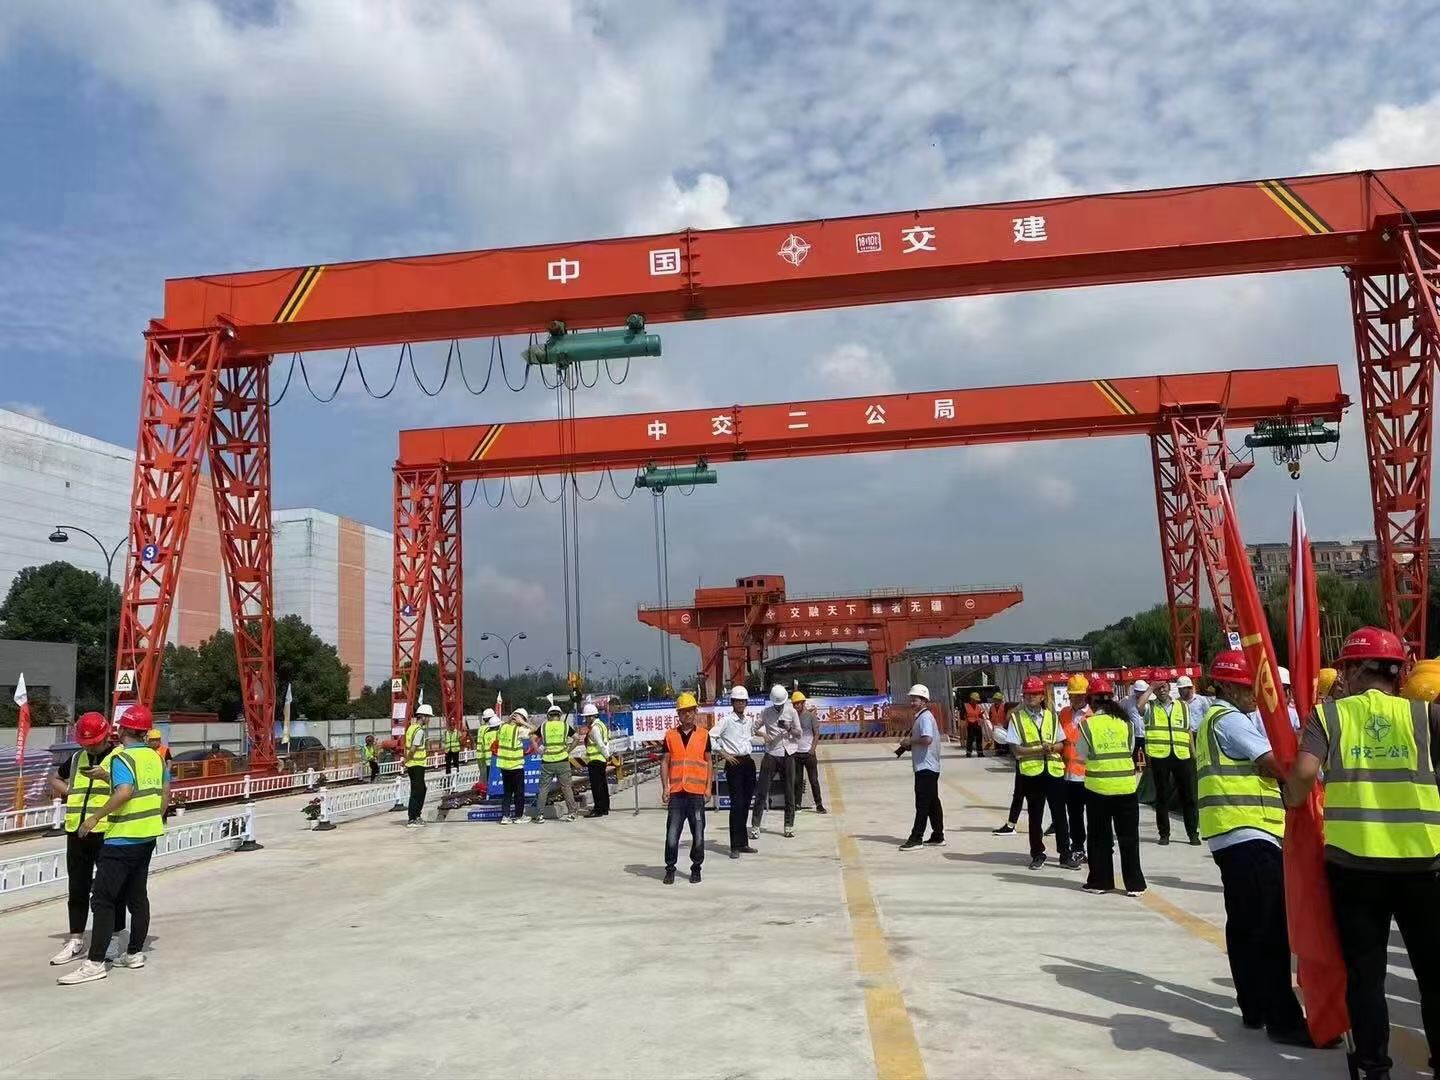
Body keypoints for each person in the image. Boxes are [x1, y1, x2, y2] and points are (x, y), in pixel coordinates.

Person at [1285, 627, 1440, 1078]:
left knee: (1366, 975)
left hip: (1354, 868)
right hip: (1423, 864)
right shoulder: (1427, 715)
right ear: (1398, 672)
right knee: (1433, 972)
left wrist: (1293, 797)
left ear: (1353, 670)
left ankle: (1374, 1066)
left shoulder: (1329, 716)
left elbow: (1304, 774)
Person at [1196, 650, 1309, 1047]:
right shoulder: (1229, 720)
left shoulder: (1212, 720)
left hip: (1230, 832)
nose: (1254, 697)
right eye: (1248, 689)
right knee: (1270, 927)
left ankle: (1254, 1006)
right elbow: (1276, 763)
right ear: (1227, 687)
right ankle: (1283, 1020)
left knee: (1244, 924)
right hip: (1250, 830)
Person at [57, 704, 166, 986]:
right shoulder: (156, 757)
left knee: (102, 899)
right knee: (137, 896)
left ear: (121, 730)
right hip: (148, 835)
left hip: (121, 836)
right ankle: (134, 953)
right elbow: (164, 794)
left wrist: (95, 817)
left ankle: (95, 963)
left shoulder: (121, 758)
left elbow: (125, 791)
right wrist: (154, 818)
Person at [48, 712, 127, 967]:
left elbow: (128, 790)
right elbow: (54, 777)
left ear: (106, 736)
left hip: (107, 831)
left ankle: (113, 936)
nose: (90, 747)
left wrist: (106, 777)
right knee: (77, 887)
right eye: (85, 743)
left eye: (93, 742)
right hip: (77, 831)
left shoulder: (120, 757)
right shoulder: (76, 758)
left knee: (110, 889)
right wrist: (69, 791)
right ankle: (76, 938)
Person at [993, 676, 1080, 870]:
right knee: (1035, 816)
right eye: (1027, 694)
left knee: (1060, 815)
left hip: (1054, 772)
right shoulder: (1018, 719)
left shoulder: (1052, 717)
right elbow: (1016, 750)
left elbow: (1061, 743)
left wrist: (1052, 748)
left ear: (1042, 696)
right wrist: (1041, 749)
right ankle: (1037, 853)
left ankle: (1065, 854)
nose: (1030, 697)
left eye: (1034, 694)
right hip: (1031, 774)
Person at [1076, 677, 1146, 895]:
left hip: (1098, 790)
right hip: (1126, 788)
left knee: (1099, 838)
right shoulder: (1126, 723)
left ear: (1091, 701)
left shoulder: (1087, 725)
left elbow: (1081, 754)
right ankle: (1135, 885)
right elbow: (1130, 749)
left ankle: (1101, 882)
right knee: (1129, 838)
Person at [661, 692, 710, 884]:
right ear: (678, 715)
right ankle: (670, 868)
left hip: (696, 794)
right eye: (683, 712)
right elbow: (665, 762)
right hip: (677, 793)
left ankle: (696, 868)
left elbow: (708, 762)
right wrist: (665, 787)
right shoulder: (670, 736)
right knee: (672, 835)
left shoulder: (704, 735)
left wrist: (708, 787)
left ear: (695, 712)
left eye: (690, 711)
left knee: (698, 834)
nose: (687, 715)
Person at [1143, 679, 1200, 846]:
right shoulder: (1150, 707)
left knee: (1188, 796)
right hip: (1160, 755)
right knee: (1162, 796)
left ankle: (1192, 833)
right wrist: (1150, 688)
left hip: (1181, 755)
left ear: (1169, 688)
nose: (1161, 690)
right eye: (1158, 688)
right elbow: (1139, 706)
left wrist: (1193, 753)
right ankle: (1164, 834)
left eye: (1164, 687)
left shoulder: (1182, 706)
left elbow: (1187, 730)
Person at [709, 685, 759, 856]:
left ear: (746, 703)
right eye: (737, 701)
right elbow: (711, 737)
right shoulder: (726, 720)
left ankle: (743, 843)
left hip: (748, 763)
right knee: (736, 804)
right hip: (734, 763)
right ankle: (734, 846)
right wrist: (724, 754)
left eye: (743, 701)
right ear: (732, 702)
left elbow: (752, 736)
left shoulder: (748, 721)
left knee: (745, 803)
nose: (740, 704)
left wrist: (765, 736)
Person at [750, 685, 800, 839]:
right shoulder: (766, 712)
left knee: (789, 791)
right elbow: (753, 728)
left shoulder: (792, 712)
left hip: (788, 754)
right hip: (771, 754)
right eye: (776, 704)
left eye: (781, 704)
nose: (779, 707)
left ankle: (788, 826)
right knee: (762, 791)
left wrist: (789, 728)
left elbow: (799, 734)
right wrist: (763, 735)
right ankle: (755, 826)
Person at [899, 684, 944, 850]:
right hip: (927, 766)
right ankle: (938, 835)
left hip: (926, 767)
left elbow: (927, 739)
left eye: (915, 699)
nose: (912, 702)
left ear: (924, 701)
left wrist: (910, 741)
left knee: (922, 804)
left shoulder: (924, 717)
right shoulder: (922, 717)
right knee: (932, 803)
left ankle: (916, 837)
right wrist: (911, 745)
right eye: (911, 699)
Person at [1057, 675, 1090, 859]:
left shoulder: (1094, 715)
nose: (1076, 698)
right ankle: (1078, 847)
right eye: (1073, 695)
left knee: (1094, 816)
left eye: (1080, 694)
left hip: (1090, 774)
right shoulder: (1063, 714)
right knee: (1075, 815)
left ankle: (1097, 849)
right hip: (1068, 774)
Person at [529, 705, 579, 822]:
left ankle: (540, 815)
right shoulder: (565, 726)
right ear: (560, 715)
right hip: (562, 761)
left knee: (543, 789)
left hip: (547, 761)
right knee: (566, 788)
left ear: (548, 715)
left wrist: (538, 750)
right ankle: (572, 813)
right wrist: (568, 750)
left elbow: (532, 738)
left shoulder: (544, 726)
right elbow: (576, 738)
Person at [992, 695, 1024, 836]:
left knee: (1040, 797)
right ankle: (1011, 824)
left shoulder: (1045, 715)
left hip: (1036, 762)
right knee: (1019, 794)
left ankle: (1056, 824)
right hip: (1023, 761)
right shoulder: (1020, 712)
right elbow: (1008, 718)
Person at [791, 690, 827, 814]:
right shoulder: (792, 717)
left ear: (803, 703)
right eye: (794, 704)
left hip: (808, 754)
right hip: (796, 753)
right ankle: (797, 804)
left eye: (798, 703)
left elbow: (816, 733)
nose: (797, 706)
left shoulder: (810, 716)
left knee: (814, 780)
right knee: (797, 781)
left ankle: (819, 804)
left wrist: (812, 749)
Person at [495, 708, 529, 824]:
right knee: (519, 793)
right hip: (516, 766)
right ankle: (519, 816)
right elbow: (535, 730)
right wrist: (523, 723)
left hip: (504, 765)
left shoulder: (502, 727)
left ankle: (505, 816)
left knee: (507, 793)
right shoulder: (519, 730)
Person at [580, 703, 611, 818]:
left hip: (595, 759)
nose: (585, 719)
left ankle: (598, 809)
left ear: (591, 716)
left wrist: (607, 756)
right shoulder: (602, 725)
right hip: (600, 759)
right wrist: (606, 756)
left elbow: (600, 744)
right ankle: (605, 807)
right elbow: (606, 742)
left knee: (596, 786)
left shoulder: (594, 728)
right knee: (602, 784)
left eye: (587, 717)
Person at [404, 703, 432, 828]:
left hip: (413, 764)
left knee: (420, 789)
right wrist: (406, 759)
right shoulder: (419, 731)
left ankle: (416, 816)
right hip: (417, 764)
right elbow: (413, 748)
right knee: (418, 791)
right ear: (423, 717)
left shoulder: (411, 728)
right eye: (428, 717)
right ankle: (413, 818)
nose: (429, 720)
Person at [964, 691, 985, 758]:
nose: (976, 702)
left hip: (977, 724)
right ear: (971, 699)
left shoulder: (978, 707)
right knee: (970, 739)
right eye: (975, 700)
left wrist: (981, 717)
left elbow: (980, 715)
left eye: (977, 700)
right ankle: (969, 753)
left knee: (979, 739)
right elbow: (963, 716)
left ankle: (980, 753)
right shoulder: (966, 706)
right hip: (970, 725)